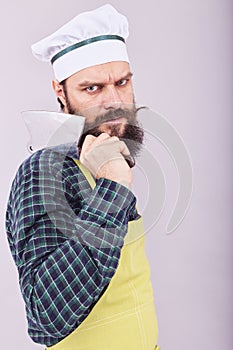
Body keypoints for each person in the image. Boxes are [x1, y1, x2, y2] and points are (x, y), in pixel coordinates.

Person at [6, 4, 160, 350]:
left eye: (122, 82)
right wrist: (113, 188)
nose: (115, 101)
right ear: (61, 92)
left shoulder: (110, 162)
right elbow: (46, 317)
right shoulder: (44, 172)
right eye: (93, 89)